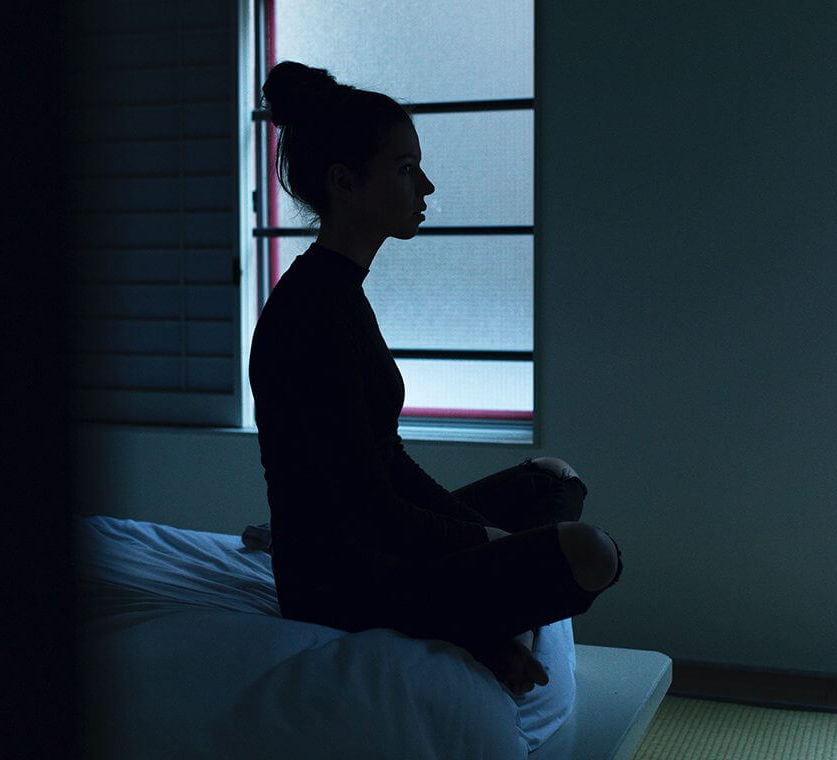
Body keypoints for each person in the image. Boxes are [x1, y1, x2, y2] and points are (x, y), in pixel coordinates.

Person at [249, 61, 622, 697]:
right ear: (346, 183)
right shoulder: (310, 315)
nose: (425, 185)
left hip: (379, 542)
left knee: (551, 478)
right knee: (591, 554)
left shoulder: (339, 292)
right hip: (341, 580)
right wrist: (484, 539)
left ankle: (484, 622)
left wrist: (478, 533)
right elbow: (366, 504)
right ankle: (483, 629)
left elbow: (388, 462)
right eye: (403, 168)